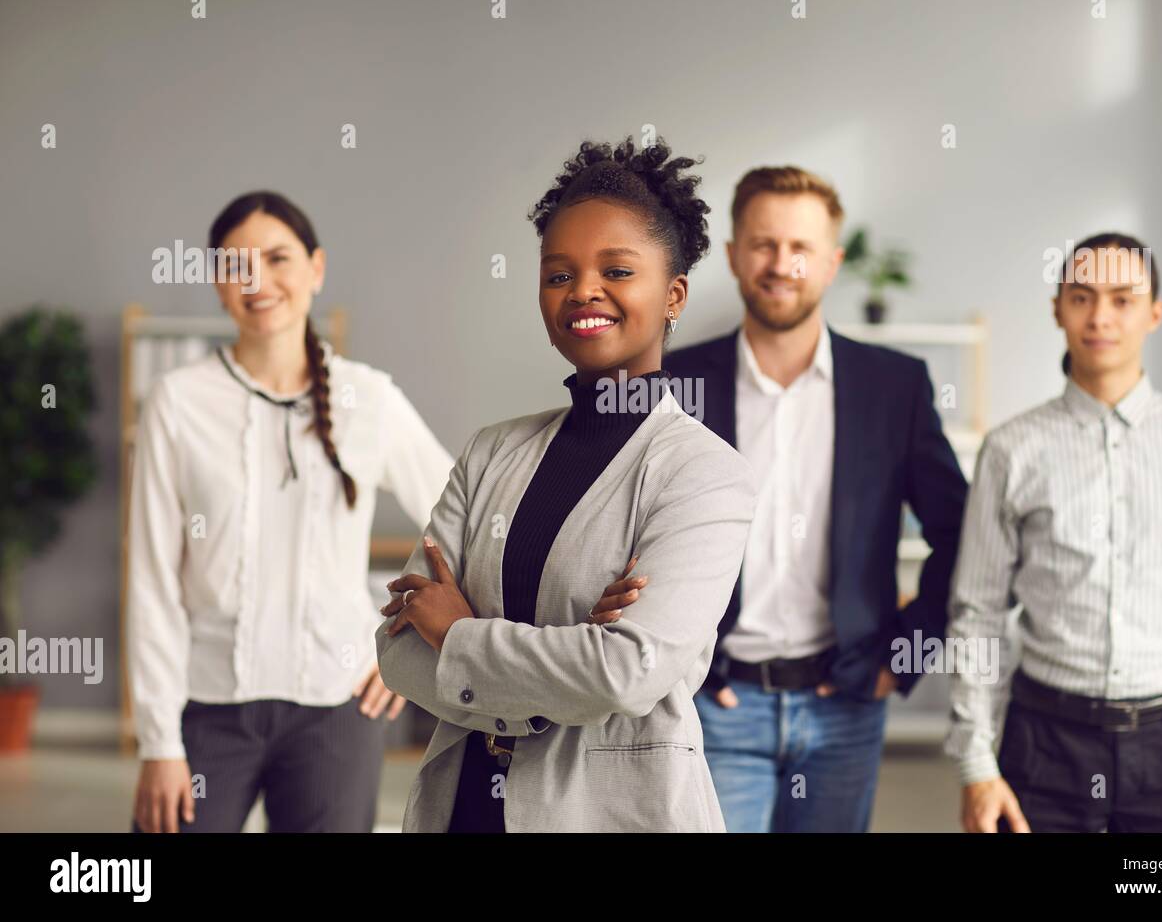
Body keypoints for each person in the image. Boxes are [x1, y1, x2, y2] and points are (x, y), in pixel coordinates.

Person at [375, 136, 757, 832]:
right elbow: (399, 650)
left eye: (616, 269)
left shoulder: (705, 475)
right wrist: (567, 660)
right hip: (463, 811)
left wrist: (460, 632)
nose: (582, 291)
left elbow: (625, 671)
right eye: (558, 274)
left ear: (673, 295)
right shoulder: (492, 452)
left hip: (615, 814)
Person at [129, 191, 455, 832]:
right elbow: (152, 580)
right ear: (219, 286)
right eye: (236, 265)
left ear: (316, 268)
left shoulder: (370, 397)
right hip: (207, 709)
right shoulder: (177, 403)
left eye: (277, 258)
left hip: (337, 713)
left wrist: (409, 647)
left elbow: (464, 518)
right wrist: (158, 742)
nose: (259, 282)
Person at [663, 166, 968, 832]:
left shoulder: (895, 385)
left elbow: (961, 533)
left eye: (801, 248)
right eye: (765, 245)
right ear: (735, 256)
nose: (782, 264)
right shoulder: (672, 382)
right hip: (714, 700)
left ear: (831, 263)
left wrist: (905, 655)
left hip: (846, 705)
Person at [947, 232, 1162, 833]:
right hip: (1043, 744)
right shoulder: (1012, 450)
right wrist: (976, 763)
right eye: (1081, 296)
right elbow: (978, 611)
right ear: (1057, 308)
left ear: (1154, 313)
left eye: (1123, 299)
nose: (1100, 317)